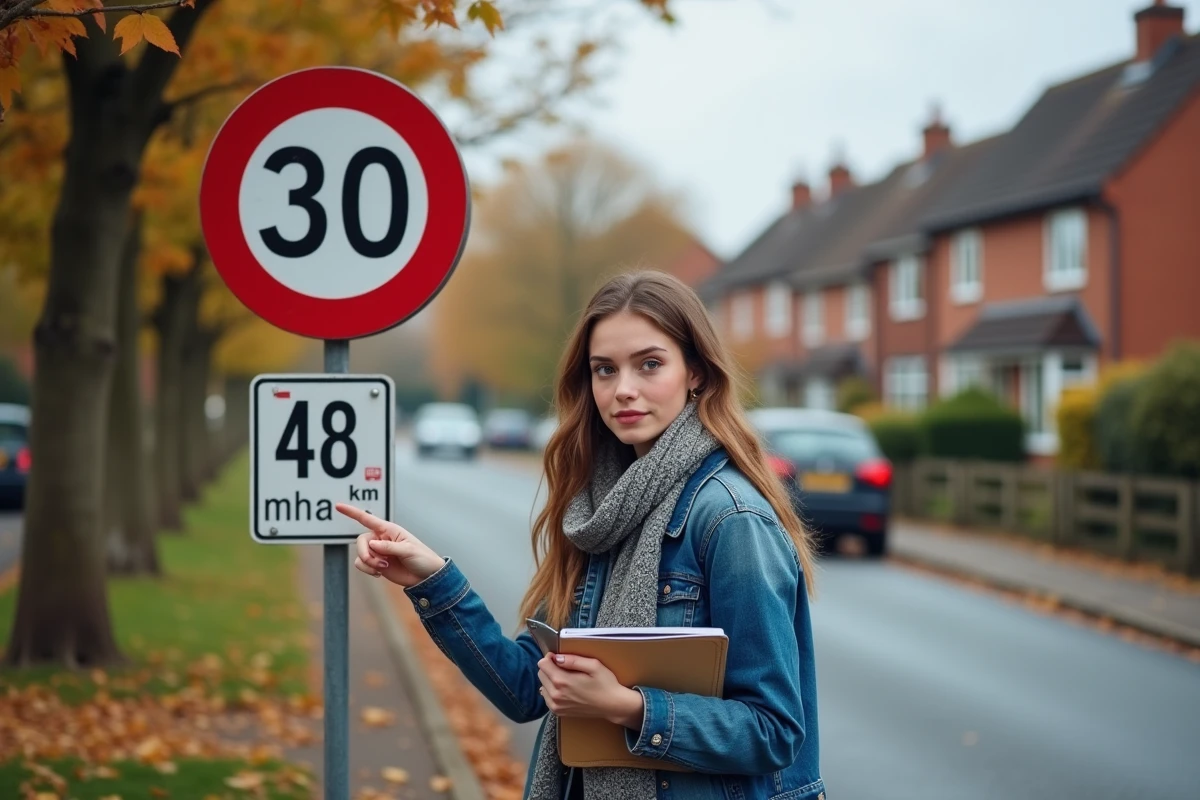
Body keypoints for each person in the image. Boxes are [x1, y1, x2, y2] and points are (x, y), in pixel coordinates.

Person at [338, 270, 824, 800]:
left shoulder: (730, 521)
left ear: (698, 374)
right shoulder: (597, 516)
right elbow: (527, 688)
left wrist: (627, 707)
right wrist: (432, 580)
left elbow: (775, 730)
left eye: (650, 364)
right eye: (604, 370)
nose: (624, 390)